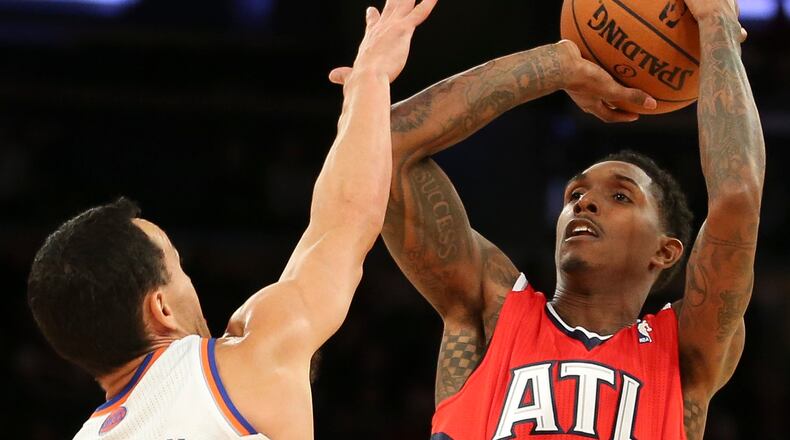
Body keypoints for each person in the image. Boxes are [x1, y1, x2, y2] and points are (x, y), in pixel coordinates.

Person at [331, 0, 763, 437]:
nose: (584, 204)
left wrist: (716, 24)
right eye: (574, 194)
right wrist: (556, 67)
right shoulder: (493, 310)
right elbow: (382, 145)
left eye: (620, 196)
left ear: (666, 250)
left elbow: (738, 197)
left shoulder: (685, 352)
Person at [26, 1, 437, 438]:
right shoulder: (244, 364)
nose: (189, 281)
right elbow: (344, 221)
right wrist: (371, 77)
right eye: (176, 267)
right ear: (161, 308)